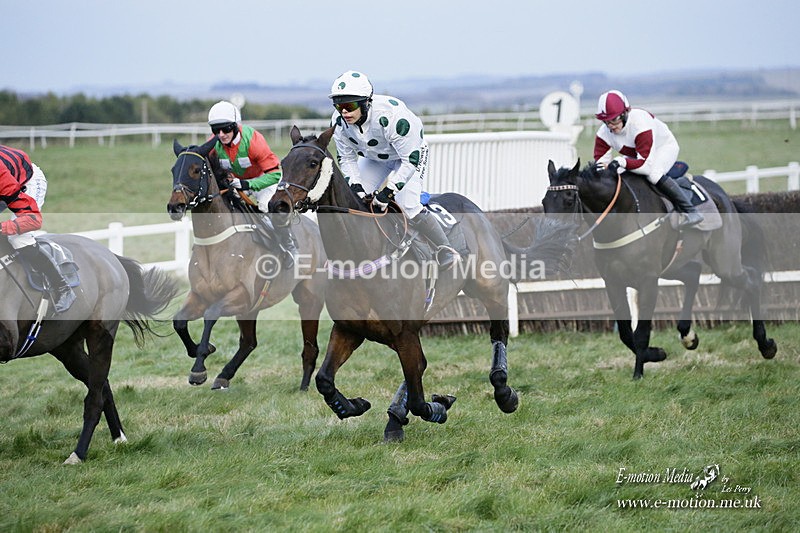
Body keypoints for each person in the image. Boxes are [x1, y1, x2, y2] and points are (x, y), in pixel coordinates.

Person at [328, 70, 458, 267]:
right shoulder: (338, 123)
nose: (344, 111)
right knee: (356, 202)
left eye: (349, 105)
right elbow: (346, 158)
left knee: (407, 204)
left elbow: (409, 161)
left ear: (365, 103)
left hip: (408, 156)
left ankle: (445, 248)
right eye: (339, 106)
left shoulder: (393, 118)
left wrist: (388, 192)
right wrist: (356, 187)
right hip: (375, 158)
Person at [207, 100, 298, 268]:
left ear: (235, 126)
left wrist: (248, 185)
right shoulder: (213, 143)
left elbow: (276, 174)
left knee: (266, 206)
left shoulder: (254, 140)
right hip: (237, 184)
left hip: (264, 181)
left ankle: (289, 246)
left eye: (226, 128)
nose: (221, 134)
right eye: (216, 130)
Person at [594, 90, 703, 228]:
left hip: (662, 148)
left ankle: (691, 211)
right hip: (636, 155)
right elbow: (601, 164)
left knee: (653, 175)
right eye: (606, 121)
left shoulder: (640, 124)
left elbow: (645, 166)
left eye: (614, 119)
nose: (610, 126)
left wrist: (621, 161)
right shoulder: (603, 133)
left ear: (625, 113)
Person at [0, 144, 75, 312]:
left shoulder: (2, 176)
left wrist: (2, 228)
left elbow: (32, 219)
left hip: (26, 183)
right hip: (7, 179)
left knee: (18, 238)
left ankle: (62, 286)